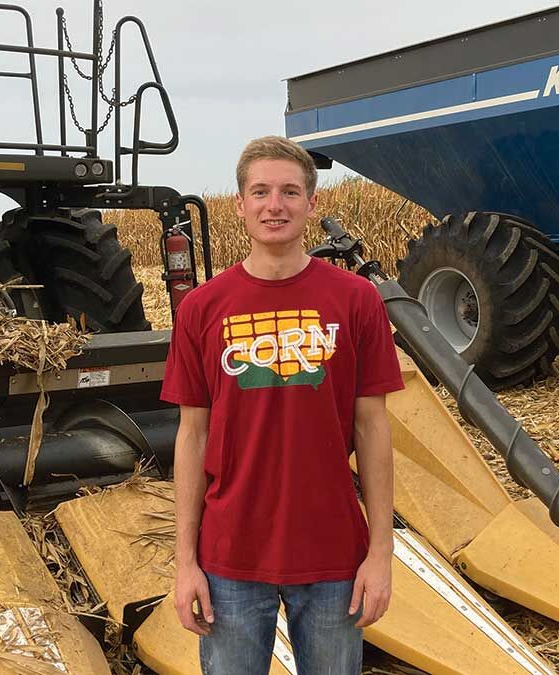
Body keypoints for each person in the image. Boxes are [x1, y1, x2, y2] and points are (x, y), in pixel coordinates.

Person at [159, 135, 405, 674]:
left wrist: (380, 553)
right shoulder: (202, 309)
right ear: (241, 204)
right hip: (228, 559)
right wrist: (186, 564)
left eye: (291, 192)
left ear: (312, 205)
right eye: (262, 191)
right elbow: (191, 437)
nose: (276, 205)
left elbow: (372, 429)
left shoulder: (356, 300)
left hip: (334, 555)